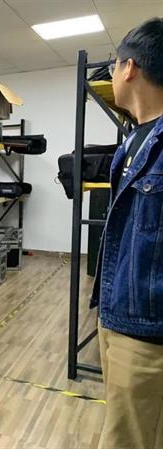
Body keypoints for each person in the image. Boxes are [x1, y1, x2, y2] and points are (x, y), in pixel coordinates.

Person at [93, 17, 163, 449]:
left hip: (148, 335)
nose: (113, 76)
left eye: (114, 66)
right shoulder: (133, 141)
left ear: (130, 67)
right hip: (117, 316)